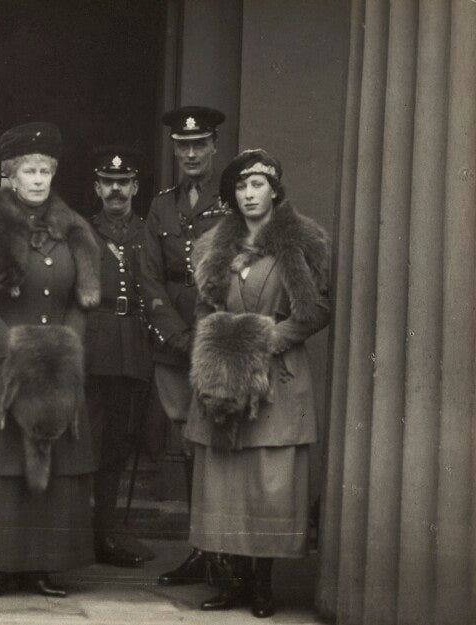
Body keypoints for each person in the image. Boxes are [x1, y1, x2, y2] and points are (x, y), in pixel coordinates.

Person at [0, 121, 100, 598]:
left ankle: (41, 566)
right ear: (11, 176)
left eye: (44, 171)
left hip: (57, 364)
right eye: (28, 171)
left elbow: (83, 297)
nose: (37, 180)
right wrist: (9, 346)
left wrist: (67, 345)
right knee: (2, 463)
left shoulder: (75, 229)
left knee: (52, 462)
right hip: (3, 361)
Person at [187, 149, 330, 617]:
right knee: (227, 483)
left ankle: (264, 586)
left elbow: (315, 311)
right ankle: (235, 584)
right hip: (225, 378)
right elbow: (206, 308)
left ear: (274, 190)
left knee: (268, 484)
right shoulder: (212, 245)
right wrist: (219, 349)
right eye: (241, 188)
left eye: (257, 185)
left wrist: (265, 338)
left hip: (277, 378)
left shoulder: (301, 241)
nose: (249, 195)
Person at [139, 106, 228, 585]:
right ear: (175, 150)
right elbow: (149, 277)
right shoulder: (161, 205)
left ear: (213, 147)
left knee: (219, 442)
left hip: (217, 336)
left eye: (200, 144)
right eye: (183, 146)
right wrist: (176, 334)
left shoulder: (232, 200)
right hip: (173, 339)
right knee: (188, 443)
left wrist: (209, 335)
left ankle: (225, 550)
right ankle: (199, 549)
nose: (191, 153)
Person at [85, 145, 154, 568]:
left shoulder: (148, 233)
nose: (115, 189)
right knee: (86, 442)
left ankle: (107, 532)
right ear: (97, 187)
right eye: (108, 183)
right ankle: (79, 533)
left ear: (134, 187)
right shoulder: (83, 231)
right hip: (93, 345)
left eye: (122, 182)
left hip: (134, 345)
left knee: (117, 445)